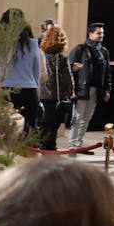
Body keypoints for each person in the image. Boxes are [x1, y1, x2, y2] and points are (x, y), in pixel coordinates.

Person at [68, 21, 110, 153]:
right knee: (78, 117)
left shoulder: (103, 51)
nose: (101, 35)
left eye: (102, 33)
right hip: (82, 89)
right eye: (98, 33)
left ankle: (80, 144)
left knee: (87, 117)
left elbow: (107, 71)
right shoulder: (80, 50)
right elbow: (70, 70)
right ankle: (73, 144)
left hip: (96, 89)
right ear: (90, 34)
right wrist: (72, 89)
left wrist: (107, 89)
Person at [0, 8, 40, 136]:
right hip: (28, 89)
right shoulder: (32, 44)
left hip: (6, 89)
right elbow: (36, 69)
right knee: (28, 128)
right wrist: (35, 86)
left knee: (5, 128)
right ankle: (27, 153)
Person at [37, 23, 73, 151]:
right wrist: (70, 92)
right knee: (53, 127)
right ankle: (50, 149)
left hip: (41, 95)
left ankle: (40, 148)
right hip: (56, 97)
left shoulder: (41, 55)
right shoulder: (62, 58)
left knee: (42, 125)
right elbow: (67, 78)